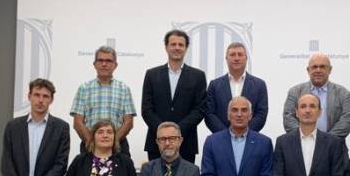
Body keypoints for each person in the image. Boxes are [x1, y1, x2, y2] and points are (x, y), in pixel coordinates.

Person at [141, 29, 207, 163]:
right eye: (173, 44)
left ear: (186, 48)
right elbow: (146, 109)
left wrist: (176, 133)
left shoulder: (198, 76)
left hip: (185, 142)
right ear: (166, 47)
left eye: (181, 45)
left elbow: (199, 110)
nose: (177, 48)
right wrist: (163, 133)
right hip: (156, 144)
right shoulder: (152, 75)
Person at [70, 45, 136, 156]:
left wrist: (113, 141)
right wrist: (91, 142)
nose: (104, 64)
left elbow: (128, 122)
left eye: (108, 61)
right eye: (100, 60)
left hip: (118, 146)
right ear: (94, 64)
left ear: (115, 65)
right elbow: (78, 121)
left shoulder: (124, 89)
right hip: (89, 146)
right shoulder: (84, 88)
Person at [282, 53, 350, 139]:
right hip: (301, 146)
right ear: (308, 70)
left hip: (334, 148)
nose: (318, 70)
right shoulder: (294, 92)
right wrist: (306, 138)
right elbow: (288, 117)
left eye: (322, 66)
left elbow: (347, 120)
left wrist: (326, 141)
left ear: (330, 70)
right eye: (314, 67)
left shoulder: (343, 93)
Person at [204, 42, 268, 133]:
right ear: (226, 59)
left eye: (240, 55)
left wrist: (245, 133)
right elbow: (209, 114)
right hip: (221, 141)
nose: (236, 58)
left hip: (250, 140)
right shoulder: (214, 85)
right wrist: (226, 135)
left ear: (246, 58)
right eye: (233, 55)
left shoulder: (259, 85)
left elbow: (261, 114)